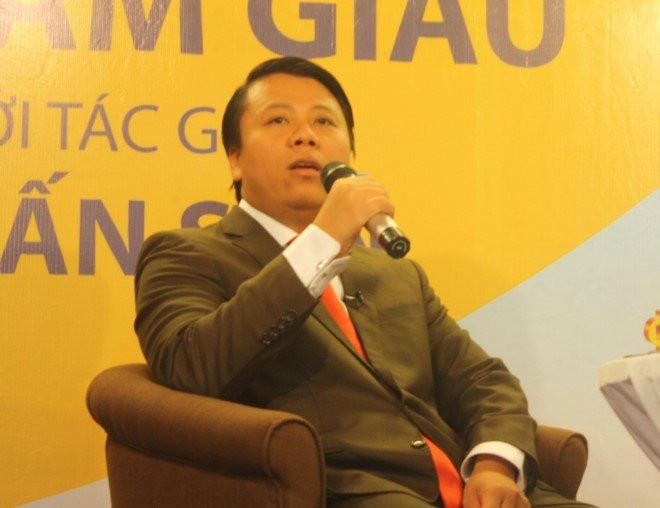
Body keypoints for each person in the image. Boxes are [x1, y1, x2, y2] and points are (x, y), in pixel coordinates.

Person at [134, 57, 593, 507]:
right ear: (235, 159)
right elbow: (190, 367)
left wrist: (494, 465)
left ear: (349, 159)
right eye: (278, 120)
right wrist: (321, 242)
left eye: (324, 121)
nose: (305, 135)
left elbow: (482, 380)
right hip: (340, 492)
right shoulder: (186, 254)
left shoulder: (394, 273)